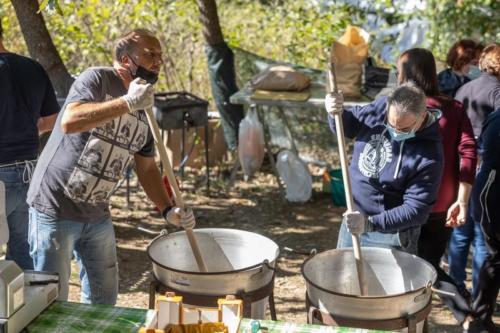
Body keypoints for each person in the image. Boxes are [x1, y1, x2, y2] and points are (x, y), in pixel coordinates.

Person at [26, 29, 195, 305]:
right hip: (54, 209)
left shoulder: (145, 105)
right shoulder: (98, 79)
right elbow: (69, 121)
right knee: (49, 303)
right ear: (126, 59)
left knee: (104, 302)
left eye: (160, 56)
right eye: (150, 54)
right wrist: (127, 102)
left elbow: (147, 168)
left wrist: (168, 209)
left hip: (97, 214)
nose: (158, 61)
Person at [394, 48, 477, 325]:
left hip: (408, 204)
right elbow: (468, 151)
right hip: (444, 202)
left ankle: (424, 320)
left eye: (398, 71)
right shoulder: (453, 108)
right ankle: (459, 317)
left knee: (412, 269)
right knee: (427, 265)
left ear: (406, 74)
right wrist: (462, 199)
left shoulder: (401, 108)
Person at [325, 82, 444, 254]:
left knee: (385, 281)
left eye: (404, 128)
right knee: (346, 276)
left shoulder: (429, 155)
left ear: (422, 116)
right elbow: (348, 126)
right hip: (353, 216)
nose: (395, 131)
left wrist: (370, 223)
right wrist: (335, 112)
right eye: (391, 124)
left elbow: (417, 209)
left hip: (391, 233)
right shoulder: (381, 108)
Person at [0, 20, 59, 270]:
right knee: (22, 258)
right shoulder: (33, 68)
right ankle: (17, 308)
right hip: (29, 174)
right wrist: (25, 129)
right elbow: (53, 120)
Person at [449, 43, 500, 300]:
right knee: (481, 236)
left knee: (460, 231)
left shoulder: (463, 89)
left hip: (462, 164)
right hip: (484, 169)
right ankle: (481, 294)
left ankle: (456, 285)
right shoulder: (498, 92)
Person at [465, 108, 500, 333]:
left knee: (494, 259)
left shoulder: (495, 116)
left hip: (489, 194)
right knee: (494, 258)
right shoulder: (497, 119)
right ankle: (480, 319)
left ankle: (481, 318)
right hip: (493, 197)